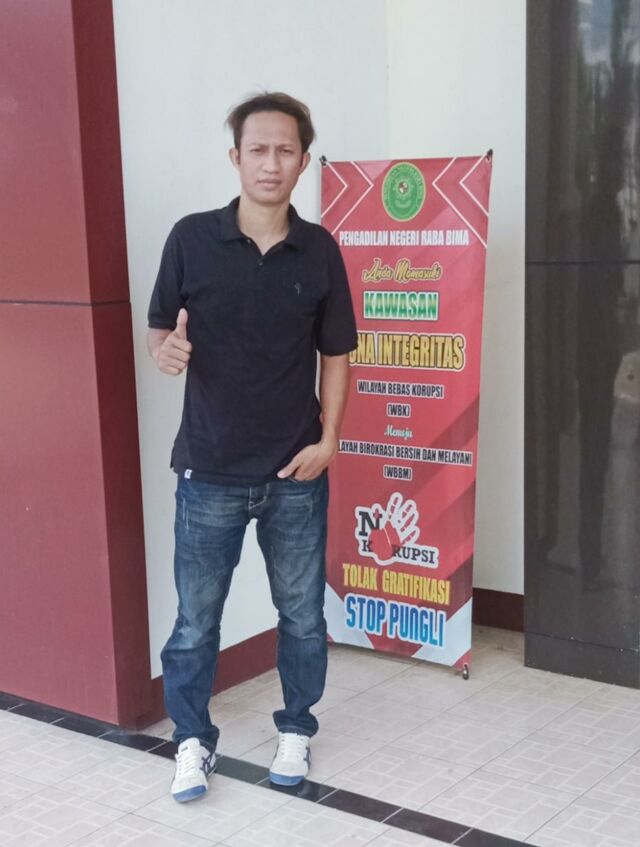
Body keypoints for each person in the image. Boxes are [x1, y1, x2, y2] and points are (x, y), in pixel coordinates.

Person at [147, 92, 357, 803]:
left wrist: (329, 439)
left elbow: (336, 355)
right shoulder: (190, 238)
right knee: (194, 622)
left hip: (296, 470)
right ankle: (191, 739)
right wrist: (165, 351)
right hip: (207, 469)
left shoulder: (319, 249)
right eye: (258, 150)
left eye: (285, 150)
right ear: (235, 157)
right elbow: (160, 330)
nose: (271, 163)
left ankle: (296, 727)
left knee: (302, 615)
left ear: (304, 160)